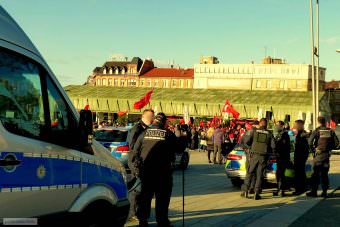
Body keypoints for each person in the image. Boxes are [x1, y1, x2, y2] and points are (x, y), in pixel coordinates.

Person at [132, 113, 178, 227]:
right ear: (164, 122)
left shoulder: (144, 133)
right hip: (163, 173)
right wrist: (181, 135)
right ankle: (162, 221)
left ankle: (143, 221)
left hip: (147, 172)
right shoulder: (168, 134)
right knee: (162, 198)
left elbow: (135, 151)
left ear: (154, 121)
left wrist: (137, 166)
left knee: (145, 197)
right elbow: (180, 148)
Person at [127, 109, 155, 220]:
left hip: (142, 162)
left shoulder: (145, 128)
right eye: (153, 117)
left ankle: (137, 211)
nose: (153, 120)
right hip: (136, 162)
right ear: (148, 117)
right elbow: (133, 147)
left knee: (141, 188)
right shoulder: (137, 129)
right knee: (136, 189)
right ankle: (132, 212)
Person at [241, 118, 276, 200]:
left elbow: (246, 142)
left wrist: (251, 148)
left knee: (250, 172)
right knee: (260, 175)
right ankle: (256, 193)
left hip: (254, 155)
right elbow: (273, 146)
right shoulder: (269, 133)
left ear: (260, 124)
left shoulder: (254, 132)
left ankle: (245, 191)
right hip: (263, 156)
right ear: (266, 124)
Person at [306, 116, 339, 198]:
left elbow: (309, 142)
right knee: (324, 174)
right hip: (326, 155)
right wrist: (329, 148)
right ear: (325, 122)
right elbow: (337, 143)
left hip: (318, 155)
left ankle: (314, 191)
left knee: (315, 174)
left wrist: (314, 150)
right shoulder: (330, 131)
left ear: (318, 122)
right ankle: (324, 192)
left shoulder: (317, 130)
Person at [272, 120, 291, 197]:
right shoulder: (280, 134)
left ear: (282, 126)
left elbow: (282, 146)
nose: (277, 127)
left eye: (278, 125)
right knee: (279, 173)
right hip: (281, 156)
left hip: (282, 156)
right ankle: (280, 189)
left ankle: (281, 190)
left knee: (280, 174)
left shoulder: (284, 135)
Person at [293, 119, 310, 195]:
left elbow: (303, 147)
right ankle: (301, 188)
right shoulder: (301, 134)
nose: (294, 126)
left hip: (300, 157)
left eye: (295, 125)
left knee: (299, 173)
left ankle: (299, 189)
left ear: (299, 125)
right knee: (301, 173)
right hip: (300, 157)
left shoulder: (302, 135)